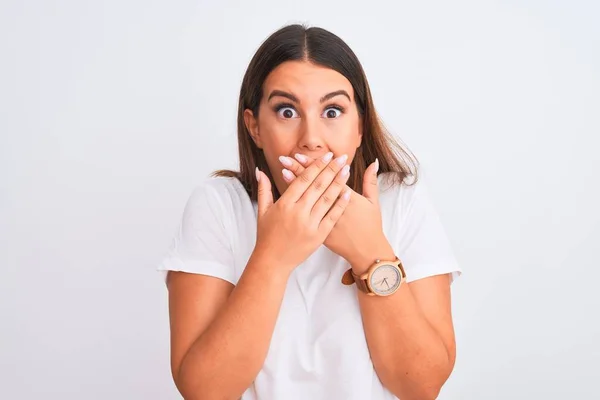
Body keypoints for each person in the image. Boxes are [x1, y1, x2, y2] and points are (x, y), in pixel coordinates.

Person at [158, 24, 462, 400]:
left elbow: (421, 385)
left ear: (360, 127)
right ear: (254, 127)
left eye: (332, 111)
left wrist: (372, 255)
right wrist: (273, 257)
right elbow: (204, 391)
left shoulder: (402, 201)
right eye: (287, 111)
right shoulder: (219, 205)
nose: (311, 138)